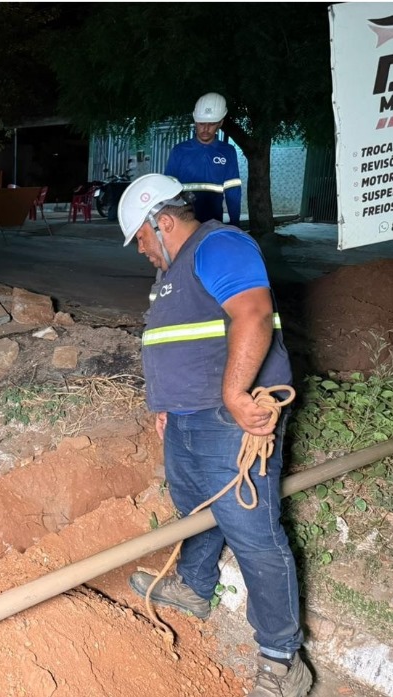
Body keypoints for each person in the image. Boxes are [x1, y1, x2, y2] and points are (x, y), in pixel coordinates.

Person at [117, 174, 312, 697]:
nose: (141, 250)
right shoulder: (173, 271)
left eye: (140, 237)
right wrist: (164, 405)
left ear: (162, 223)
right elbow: (179, 340)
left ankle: (281, 658)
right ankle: (195, 588)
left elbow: (253, 314)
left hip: (228, 417)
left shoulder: (219, 244)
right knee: (196, 508)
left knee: (254, 534)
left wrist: (234, 395)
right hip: (185, 416)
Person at [164, 92, 242, 226]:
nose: (205, 129)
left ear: (220, 123)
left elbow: (233, 193)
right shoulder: (179, 151)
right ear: (195, 121)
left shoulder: (228, 152)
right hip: (184, 224)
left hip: (213, 223)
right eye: (201, 124)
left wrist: (235, 224)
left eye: (211, 124)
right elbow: (166, 190)